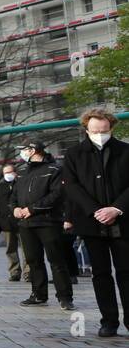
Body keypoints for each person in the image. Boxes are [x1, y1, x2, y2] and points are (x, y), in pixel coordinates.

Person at [62, 110, 129, 336]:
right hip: (91, 223)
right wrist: (95, 211)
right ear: (86, 130)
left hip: (123, 221)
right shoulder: (74, 154)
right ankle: (109, 321)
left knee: (126, 272)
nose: (100, 135)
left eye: (104, 131)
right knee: (100, 273)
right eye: (95, 131)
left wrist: (116, 208)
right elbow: (71, 186)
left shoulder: (126, 151)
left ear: (111, 128)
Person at [14, 140, 75, 311]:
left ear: (33, 150)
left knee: (56, 260)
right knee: (33, 260)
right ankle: (38, 294)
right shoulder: (21, 171)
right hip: (26, 223)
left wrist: (32, 209)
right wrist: (15, 208)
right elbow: (14, 195)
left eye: (23, 150)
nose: (21, 153)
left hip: (48, 222)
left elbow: (57, 195)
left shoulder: (54, 169)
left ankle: (65, 297)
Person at [0, 163, 27, 281]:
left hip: (22, 221)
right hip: (6, 223)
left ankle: (29, 272)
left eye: (10, 172)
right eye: (6, 173)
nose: (8, 175)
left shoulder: (21, 184)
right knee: (10, 249)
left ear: (15, 173)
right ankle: (14, 272)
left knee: (27, 249)